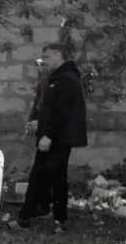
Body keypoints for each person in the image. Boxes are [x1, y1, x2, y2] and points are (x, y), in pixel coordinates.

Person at [10, 42, 88, 232]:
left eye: (46, 57)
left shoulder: (66, 79)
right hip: (53, 136)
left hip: (57, 139)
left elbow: (61, 113)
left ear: (57, 55)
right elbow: (49, 110)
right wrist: (38, 124)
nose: (43, 61)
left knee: (52, 177)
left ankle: (51, 220)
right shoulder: (58, 78)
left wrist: (47, 135)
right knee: (42, 176)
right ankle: (39, 213)